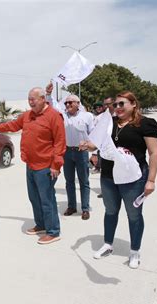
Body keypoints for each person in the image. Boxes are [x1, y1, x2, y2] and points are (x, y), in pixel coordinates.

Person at [80, 91, 157, 269]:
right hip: (109, 177)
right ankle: (108, 244)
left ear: (133, 104)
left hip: (133, 179)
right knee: (110, 212)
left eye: (121, 104)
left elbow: (154, 153)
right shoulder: (109, 122)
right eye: (115, 104)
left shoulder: (145, 124)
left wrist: (151, 180)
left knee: (134, 215)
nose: (117, 108)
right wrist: (88, 145)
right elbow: (97, 143)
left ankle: (134, 251)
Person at [0, 87, 66, 245]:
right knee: (34, 198)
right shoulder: (27, 115)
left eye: (33, 99)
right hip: (30, 165)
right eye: (29, 99)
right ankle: (41, 224)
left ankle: (53, 232)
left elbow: (59, 143)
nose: (30, 102)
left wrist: (56, 166)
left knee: (47, 200)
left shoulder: (54, 116)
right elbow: (11, 126)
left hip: (46, 166)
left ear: (43, 99)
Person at [46, 85, 94, 220]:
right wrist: (48, 94)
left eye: (70, 102)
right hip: (67, 152)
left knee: (84, 181)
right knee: (69, 181)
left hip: (82, 152)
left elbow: (95, 135)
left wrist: (93, 150)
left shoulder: (87, 116)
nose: (67, 104)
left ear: (78, 104)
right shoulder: (62, 116)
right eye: (66, 102)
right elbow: (52, 105)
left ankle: (85, 208)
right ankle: (72, 206)